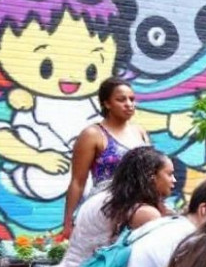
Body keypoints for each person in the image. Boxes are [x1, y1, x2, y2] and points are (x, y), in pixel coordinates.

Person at [62, 77, 154, 238]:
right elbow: (77, 181)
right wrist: (68, 223)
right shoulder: (92, 134)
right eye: (121, 99)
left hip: (141, 208)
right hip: (106, 210)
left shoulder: (140, 132)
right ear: (106, 103)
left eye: (132, 99)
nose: (129, 104)